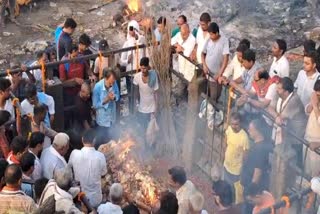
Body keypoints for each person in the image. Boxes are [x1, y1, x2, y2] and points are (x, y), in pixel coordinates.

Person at [268, 77, 307, 163]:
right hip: (286, 135)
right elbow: (270, 108)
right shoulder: (279, 94)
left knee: (292, 163)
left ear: (286, 92)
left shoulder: (294, 100)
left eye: (279, 88)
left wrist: (277, 116)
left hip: (296, 138)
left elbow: (281, 117)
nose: (276, 90)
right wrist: (276, 117)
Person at [68, 129, 107, 208]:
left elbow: (68, 168)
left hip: (80, 197)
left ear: (82, 139)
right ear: (94, 140)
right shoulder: (100, 156)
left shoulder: (74, 153)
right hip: (95, 199)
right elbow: (103, 173)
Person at [240, 119, 273, 196]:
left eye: (251, 129)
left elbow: (257, 173)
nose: (248, 131)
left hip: (251, 189)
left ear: (257, 131)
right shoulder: (259, 145)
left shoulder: (260, 150)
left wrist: (250, 192)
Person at [223, 112, 249, 204]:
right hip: (226, 164)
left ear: (240, 123)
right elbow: (225, 143)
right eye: (232, 124)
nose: (234, 126)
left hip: (236, 169)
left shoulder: (244, 137)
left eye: (236, 124)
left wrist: (242, 168)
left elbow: (246, 156)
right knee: (226, 185)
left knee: (235, 189)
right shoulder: (229, 129)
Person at [202, 22, 229, 103]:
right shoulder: (209, 40)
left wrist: (219, 73)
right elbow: (202, 53)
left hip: (215, 76)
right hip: (206, 72)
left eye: (212, 34)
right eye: (209, 34)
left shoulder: (224, 41)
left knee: (214, 97)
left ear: (217, 33)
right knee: (206, 93)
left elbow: (225, 59)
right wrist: (204, 65)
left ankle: (212, 112)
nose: (210, 36)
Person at [92, 68, 120, 145]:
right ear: (105, 78)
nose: (113, 81)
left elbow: (117, 95)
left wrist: (114, 97)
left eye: (114, 79)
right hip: (102, 121)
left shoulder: (114, 84)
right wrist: (106, 100)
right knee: (103, 145)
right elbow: (94, 105)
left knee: (113, 144)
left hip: (112, 119)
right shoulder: (97, 87)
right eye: (111, 79)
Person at [134, 57, 159, 131]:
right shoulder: (137, 77)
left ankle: (150, 142)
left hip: (151, 108)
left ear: (148, 67)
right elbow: (136, 92)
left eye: (144, 68)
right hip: (141, 108)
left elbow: (156, 94)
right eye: (141, 68)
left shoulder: (153, 76)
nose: (143, 71)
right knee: (142, 128)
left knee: (151, 130)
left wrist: (156, 108)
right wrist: (136, 104)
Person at [304, 80, 320, 176]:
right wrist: (313, 104)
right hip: (307, 140)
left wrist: (315, 106)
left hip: (317, 146)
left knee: (315, 175)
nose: (317, 97)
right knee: (306, 171)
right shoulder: (315, 102)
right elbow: (307, 110)